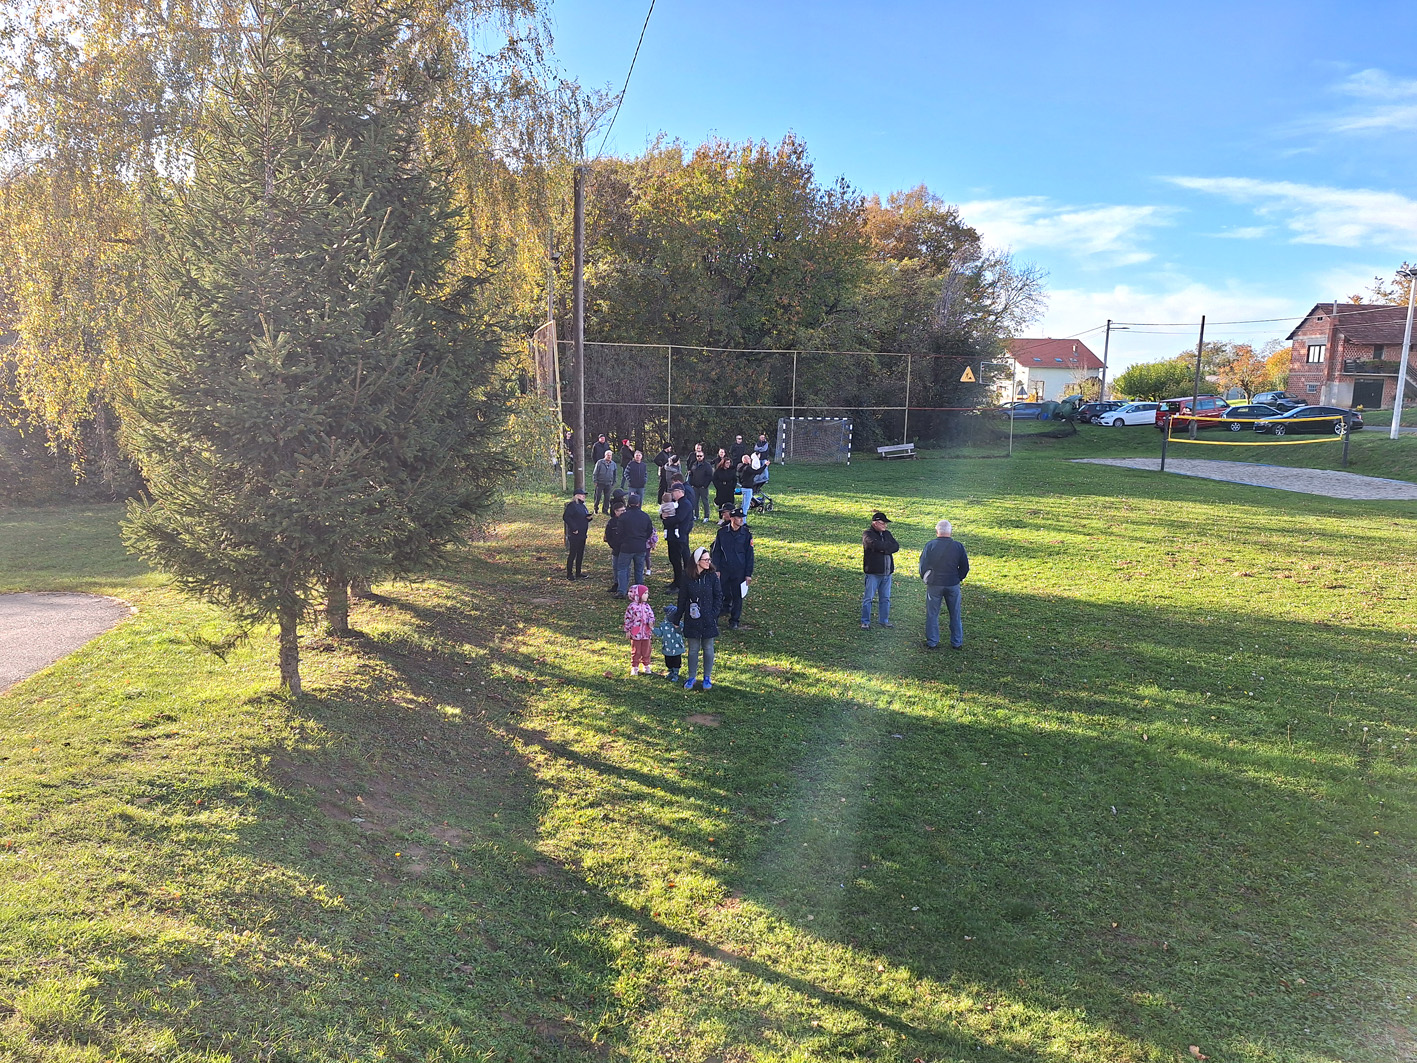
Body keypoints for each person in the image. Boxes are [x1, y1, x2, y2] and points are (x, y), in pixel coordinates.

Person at [919, 518, 969, 650]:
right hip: (952, 583)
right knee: (955, 613)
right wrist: (958, 578)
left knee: (932, 614)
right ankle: (956, 642)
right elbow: (965, 567)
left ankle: (932, 642)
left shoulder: (930, 545)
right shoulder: (958, 546)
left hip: (935, 584)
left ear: (937, 531)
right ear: (950, 531)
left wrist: (926, 578)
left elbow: (922, 566)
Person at [677, 547, 723, 690]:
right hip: (693, 619)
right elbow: (682, 598)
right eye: (705, 560)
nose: (708, 562)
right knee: (693, 649)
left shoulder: (712, 576)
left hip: (709, 619)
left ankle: (707, 678)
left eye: (709, 559)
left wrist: (714, 613)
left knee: (708, 648)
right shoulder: (687, 577)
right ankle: (691, 677)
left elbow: (718, 596)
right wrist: (677, 618)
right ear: (697, 561)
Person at [710, 507, 754, 629]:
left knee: (737, 596)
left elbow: (750, 555)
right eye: (739, 518)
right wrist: (716, 569)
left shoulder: (746, 534)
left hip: (739, 570)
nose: (741, 520)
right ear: (732, 519)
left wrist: (748, 573)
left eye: (742, 518)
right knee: (719, 594)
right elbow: (716, 552)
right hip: (724, 569)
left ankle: (734, 620)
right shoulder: (722, 533)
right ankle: (715, 618)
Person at [860, 510, 899, 627]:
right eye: (883, 523)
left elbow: (896, 546)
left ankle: (884, 621)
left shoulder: (887, 534)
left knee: (885, 599)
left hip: (887, 573)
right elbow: (873, 545)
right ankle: (865, 622)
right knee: (868, 598)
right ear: (875, 523)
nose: (885, 525)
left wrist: (883, 549)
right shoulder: (867, 534)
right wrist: (886, 548)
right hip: (873, 573)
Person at [614, 495, 654, 597]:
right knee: (639, 568)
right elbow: (650, 530)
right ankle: (639, 590)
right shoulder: (645, 516)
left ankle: (622, 591)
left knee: (623, 568)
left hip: (626, 546)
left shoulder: (623, 517)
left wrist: (622, 541)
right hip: (640, 546)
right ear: (639, 503)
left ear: (628, 504)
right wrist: (643, 539)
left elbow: (619, 532)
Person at [623, 584, 655, 676]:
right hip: (635, 633)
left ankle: (646, 665)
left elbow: (651, 615)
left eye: (647, 593)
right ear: (637, 594)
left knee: (647, 650)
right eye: (645, 593)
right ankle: (635, 666)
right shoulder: (632, 607)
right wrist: (628, 630)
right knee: (636, 650)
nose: (647, 595)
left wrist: (651, 622)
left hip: (646, 632)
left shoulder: (647, 606)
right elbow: (628, 619)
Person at [562, 487, 592, 580]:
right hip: (575, 534)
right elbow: (566, 517)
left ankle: (578, 572)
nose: (584, 497)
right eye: (582, 495)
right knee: (573, 553)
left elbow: (582, 517)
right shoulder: (572, 505)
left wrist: (588, 518)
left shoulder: (582, 506)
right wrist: (573, 528)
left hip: (583, 533)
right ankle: (569, 573)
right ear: (577, 496)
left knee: (580, 553)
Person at [654, 605, 686, 683]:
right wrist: (652, 628)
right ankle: (670, 671)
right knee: (668, 661)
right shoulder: (664, 625)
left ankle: (675, 673)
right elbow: (659, 633)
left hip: (677, 648)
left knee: (677, 661)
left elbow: (682, 632)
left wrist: (677, 627)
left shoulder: (679, 624)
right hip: (667, 648)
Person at [602, 500, 625, 591]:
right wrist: (613, 545)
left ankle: (623, 585)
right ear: (616, 511)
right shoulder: (611, 522)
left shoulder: (627, 520)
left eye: (624, 510)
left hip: (626, 548)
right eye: (621, 510)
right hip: (616, 548)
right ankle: (616, 583)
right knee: (616, 567)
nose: (623, 512)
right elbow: (608, 535)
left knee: (624, 568)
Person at [688, 449, 715, 522]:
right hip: (695, 486)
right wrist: (691, 483)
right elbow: (691, 474)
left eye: (700, 456)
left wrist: (705, 485)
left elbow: (709, 476)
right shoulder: (693, 464)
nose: (699, 457)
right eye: (697, 456)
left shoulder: (707, 465)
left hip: (703, 487)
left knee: (705, 502)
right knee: (695, 501)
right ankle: (696, 515)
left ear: (703, 456)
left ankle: (706, 516)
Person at [592, 449, 618, 514]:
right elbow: (595, 472)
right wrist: (595, 481)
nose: (609, 457)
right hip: (600, 482)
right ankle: (596, 508)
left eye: (610, 455)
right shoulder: (600, 462)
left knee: (607, 497)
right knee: (598, 496)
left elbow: (615, 474)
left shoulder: (613, 464)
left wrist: (614, 482)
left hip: (609, 483)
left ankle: (605, 510)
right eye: (608, 455)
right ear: (605, 455)